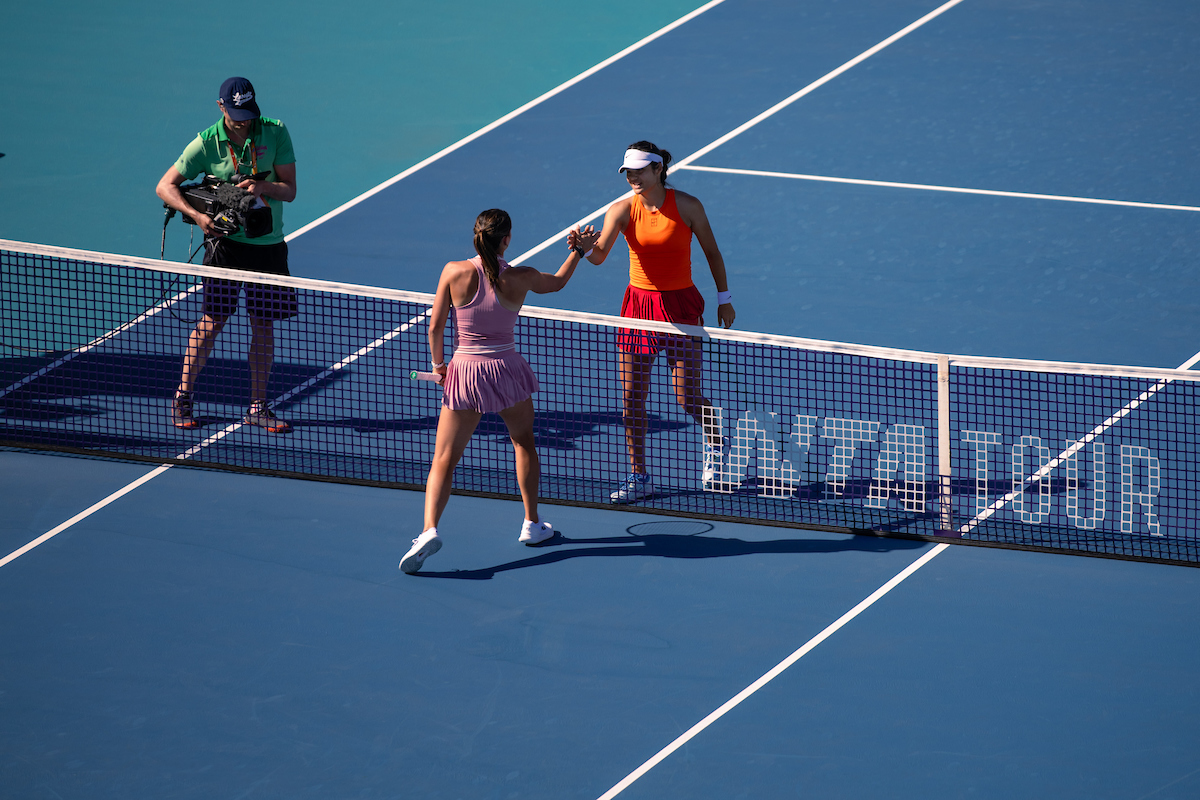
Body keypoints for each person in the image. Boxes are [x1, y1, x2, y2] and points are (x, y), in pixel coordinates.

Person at [400, 210, 599, 574]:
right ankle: (532, 523)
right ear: (506, 239)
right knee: (523, 443)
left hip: (465, 372)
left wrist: (439, 367)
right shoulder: (520, 277)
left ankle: (428, 530)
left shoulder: (453, 271)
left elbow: (434, 328)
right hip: (507, 371)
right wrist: (577, 252)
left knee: (444, 458)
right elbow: (556, 283)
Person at [585, 141, 736, 503]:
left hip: (681, 307)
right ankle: (640, 476)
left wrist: (724, 299)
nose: (633, 177)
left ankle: (717, 442)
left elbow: (712, 253)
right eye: (628, 172)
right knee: (631, 398)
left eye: (640, 170)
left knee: (686, 397)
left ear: (658, 170)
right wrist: (584, 248)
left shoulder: (687, 206)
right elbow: (600, 256)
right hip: (638, 307)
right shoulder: (620, 210)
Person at [156, 77, 298, 433]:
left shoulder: (275, 132)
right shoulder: (205, 143)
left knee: (263, 326)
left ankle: (258, 405)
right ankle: (183, 396)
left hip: (268, 248)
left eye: (248, 115)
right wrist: (200, 217)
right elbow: (165, 186)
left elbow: (290, 190)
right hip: (225, 249)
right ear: (221, 108)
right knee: (212, 322)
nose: (244, 122)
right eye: (236, 116)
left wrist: (262, 187)